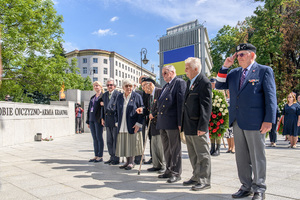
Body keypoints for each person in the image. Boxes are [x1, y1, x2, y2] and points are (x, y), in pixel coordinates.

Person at [216, 43, 277, 200]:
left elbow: (271, 97)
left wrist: (269, 120)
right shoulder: (235, 73)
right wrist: (225, 66)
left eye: (242, 54)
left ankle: (260, 188)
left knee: (257, 156)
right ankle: (246, 186)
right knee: (241, 157)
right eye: (237, 55)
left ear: (252, 55)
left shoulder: (264, 71)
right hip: (238, 121)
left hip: (256, 122)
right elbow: (219, 84)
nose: (238, 58)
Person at [181, 57, 212, 191]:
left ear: (195, 69)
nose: (185, 71)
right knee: (193, 154)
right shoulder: (189, 82)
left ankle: (204, 180)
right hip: (188, 125)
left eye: (187, 68)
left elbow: (206, 106)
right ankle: (196, 176)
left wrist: (203, 126)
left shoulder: (204, 82)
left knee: (202, 154)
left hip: (198, 125)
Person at [156, 65, 186, 183]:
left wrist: (180, 122)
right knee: (167, 149)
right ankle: (168, 170)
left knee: (175, 149)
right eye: (162, 73)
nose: (163, 76)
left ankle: (176, 173)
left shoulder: (179, 83)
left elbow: (181, 103)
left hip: (173, 121)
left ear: (172, 72)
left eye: (165, 73)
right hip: (163, 122)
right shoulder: (166, 86)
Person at [136, 77, 165, 173]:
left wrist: (155, 113)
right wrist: (142, 110)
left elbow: (163, 106)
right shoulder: (149, 96)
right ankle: (156, 165)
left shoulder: (160, 91)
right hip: (152, 125)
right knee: (154, 145)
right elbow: (149, 109)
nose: (143, 88)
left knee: (161, 146)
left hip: (160, 123)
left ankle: (163, 166)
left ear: (150, 84)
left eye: (144, 86)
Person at [115, 79, 144, 170]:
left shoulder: (137, 96)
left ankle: (132, 162)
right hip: (122, 124)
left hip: (132, 124)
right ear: (123, 87)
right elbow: (116, 110)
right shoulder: (120, 97)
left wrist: (138, 124)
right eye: (126, 86)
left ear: (133, 87)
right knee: (125, 143)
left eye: (130, 86)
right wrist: (116, 122)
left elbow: (142, 109)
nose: (128, 88)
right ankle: (127, 162)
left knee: (132, 143)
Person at [102, 78, 120, 165]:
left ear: (115, 86)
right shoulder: (105, 95)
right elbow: (103, 108)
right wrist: (102, 118)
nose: (109, 86)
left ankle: (116, 159)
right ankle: (111, 156)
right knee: (109, 140)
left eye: (111, 85)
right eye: (108, 85)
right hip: (107, 120)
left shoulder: (118, 94)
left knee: (115, 140)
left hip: (115, 119)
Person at [86, 81, 105, 163]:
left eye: (97, 86)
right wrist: (88, 121)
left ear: (100, 87)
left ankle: (100, 156)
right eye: (95, 86)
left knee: (99, 137)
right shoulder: (92, 97)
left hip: (98, 119)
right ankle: (96, 155)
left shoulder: (103, 96)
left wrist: (102, 118)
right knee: (94, 138)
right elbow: (89, 109)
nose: (96, 87)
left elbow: (103, 109)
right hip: (91, 119)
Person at [209, 78, 223, 156]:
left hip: (218, 113)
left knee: (218, 132)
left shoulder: (220, 90)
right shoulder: (208, 91)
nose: (212, 85)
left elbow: (223, 101)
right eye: (211, 83)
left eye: (213, 83)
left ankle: (218, 148)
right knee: (211, 131)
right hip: (210, 113)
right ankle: (212, 147)